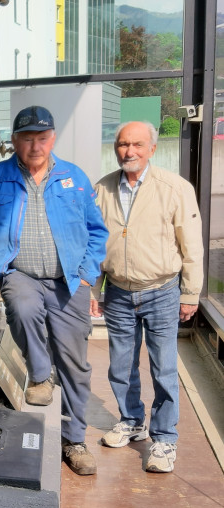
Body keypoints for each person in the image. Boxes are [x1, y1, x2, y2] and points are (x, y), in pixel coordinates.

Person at [0, 106, 108, 475]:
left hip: (68, 281)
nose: (35, 145)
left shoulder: (73, 177)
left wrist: (87, 273)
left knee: (75, 364)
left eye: (42, 138)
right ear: (13, 141)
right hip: (21, 273)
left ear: (53, 139)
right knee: (22, 306)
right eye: (27, 138)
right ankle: (40, 374)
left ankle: (74, 440)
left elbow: (97, 231)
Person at [91, 121, 203, 473]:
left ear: (152, 148)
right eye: (123, 144)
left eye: (137, 144)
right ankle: (131, 420)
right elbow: (95, 244)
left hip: (162, 292)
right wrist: (95, 289)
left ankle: (165, 439)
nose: (129, 151)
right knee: (121, 366)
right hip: (119, 293)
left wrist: (191, 293)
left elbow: (192, 246)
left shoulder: (175, 188)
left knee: (164, 368)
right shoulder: (102, 188)